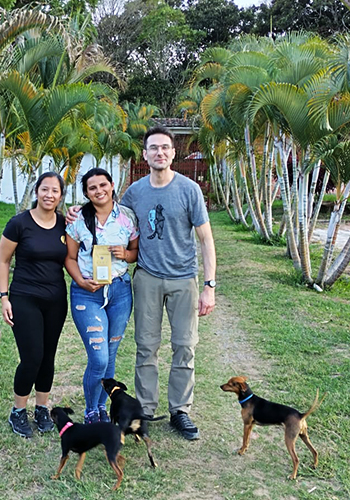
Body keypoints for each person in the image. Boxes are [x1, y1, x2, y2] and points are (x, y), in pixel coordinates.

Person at [67, 126, 216, 440]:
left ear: (173, 153)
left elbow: (205, 239)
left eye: (165, 147)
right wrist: (74, 213)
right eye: (153, 148)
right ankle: (145, 409)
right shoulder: (135, 192)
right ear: (145, 154)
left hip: (182, 279)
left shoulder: (189, 190)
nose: (159, 153)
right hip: (146, 278)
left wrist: (209, 285)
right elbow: (109, 213)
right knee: (146, 347)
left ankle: (180, 411)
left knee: (184, 347)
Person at [0, 172, 69, 438]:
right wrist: (4, 296)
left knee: (48, 356)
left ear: (61, 196)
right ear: (37, 191)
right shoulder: (19, 224)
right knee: (32, 357)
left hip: (56, 300)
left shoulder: (65, 224)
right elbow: (3, 261)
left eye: (55, 191)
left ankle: (41, 408)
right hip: (25, 298)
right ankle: (18, 411)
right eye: (45, 189)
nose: (49, 195)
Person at [65, 168, 139, 424]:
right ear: (86, 193)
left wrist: (125, 255)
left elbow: (135, 252)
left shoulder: (127, 217)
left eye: (103, 185)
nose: (99, 191)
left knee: (111, 352)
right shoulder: (77, 219)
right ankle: (91, 411)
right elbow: (70, 257)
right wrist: (81, 281)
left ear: (112, 185)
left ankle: (101, 408)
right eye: (92, 188)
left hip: (119, 291)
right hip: (88, 294)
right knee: (99, 357)